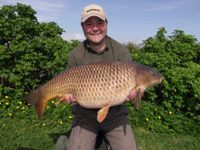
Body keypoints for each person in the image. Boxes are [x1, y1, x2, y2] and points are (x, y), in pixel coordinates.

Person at [55, 4, 137, 150]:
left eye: (99, 22)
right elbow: (67, 86)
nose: (95, 28)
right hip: (85, 116)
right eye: (89, 23)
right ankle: (65, 141)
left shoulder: (121, 53)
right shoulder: (76, 55)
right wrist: (68, 97)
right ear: (83, 27)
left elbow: (133, 88)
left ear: (106, 24)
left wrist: (134, 93)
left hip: (115, 115)